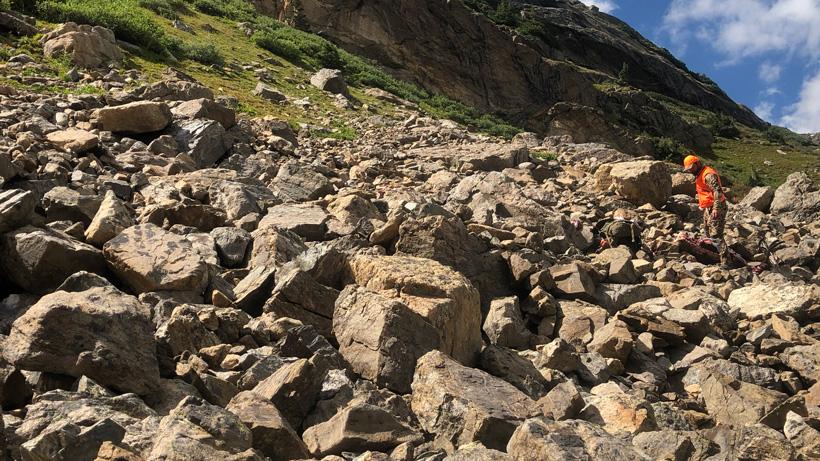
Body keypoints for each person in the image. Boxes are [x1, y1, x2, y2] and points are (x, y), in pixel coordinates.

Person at [683, 154, 729, 266]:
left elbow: (717, 191)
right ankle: (714, 255)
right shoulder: (700, 174)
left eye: (691, 168)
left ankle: (726, 262)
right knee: (707, 232)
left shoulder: (708, 175)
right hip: (709, 208)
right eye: (688, 169)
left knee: (716, 236)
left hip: (716, 207)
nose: (690, 171)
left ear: (697, 164)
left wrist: (716, 208)